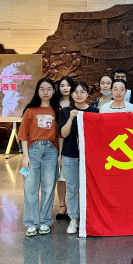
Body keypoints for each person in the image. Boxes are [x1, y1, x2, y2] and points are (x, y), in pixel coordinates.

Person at [18, 78, 63, 237]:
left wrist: (60, 154)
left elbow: (60, 135)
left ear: (53, 91)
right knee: (30, 187)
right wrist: (25, 156)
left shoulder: (57, 110)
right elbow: (23, 135)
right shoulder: (30, 111)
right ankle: (31, 223)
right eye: (42, 89)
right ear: (37, 91)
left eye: (49, 89)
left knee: (48, 187)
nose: (45, 92)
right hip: (33, 151)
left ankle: (44, 221)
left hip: (51, 151)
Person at [58, 82, 99, 235]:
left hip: (89, 158)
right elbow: (63, 134)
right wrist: (70, 118)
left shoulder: (94, 111)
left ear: (88, 94)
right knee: (72, 188)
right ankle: (73, 218)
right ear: (72, 94)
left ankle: (89, 218)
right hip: (70, 156)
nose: (79, 95)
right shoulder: (65, 112)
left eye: (82, 91)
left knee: (90, 189)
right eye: (76, 92)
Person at [54, 76, 74, 222]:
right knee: (60, 177)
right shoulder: (53, 103)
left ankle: (73, 206)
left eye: (68, 85)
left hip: (71, 142)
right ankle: (62, 205)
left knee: (71, 178)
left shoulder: (76, 102)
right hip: (55, 141)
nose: (65, 88)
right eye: (62, 85)